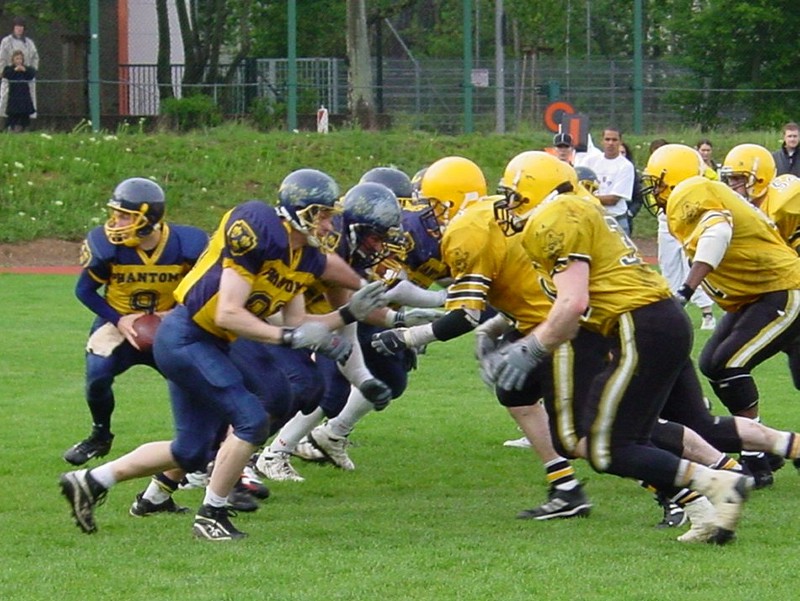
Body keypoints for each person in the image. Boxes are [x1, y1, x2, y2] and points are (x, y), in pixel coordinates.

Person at [58, 168, 389, 540]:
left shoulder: (300, 255)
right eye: (323, 214)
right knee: (251, 419)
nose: (329, 225)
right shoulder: (260, 236)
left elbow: (298, 321)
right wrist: (286, 338)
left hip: (210, 343)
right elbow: (228, 313)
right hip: (189, 337)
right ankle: (211, 514)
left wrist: (349, 313)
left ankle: (91, 480)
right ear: (299, 211)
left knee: (191, 451)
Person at [487, 151, 753, 544]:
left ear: (534, 190)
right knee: (610, 439)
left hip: (640, 325)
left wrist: (531, 348)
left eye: (513, 194)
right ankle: (705, 509)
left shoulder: (555, 217)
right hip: (651, 323)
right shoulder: (577, 208)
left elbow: (572, 303)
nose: (508, 204)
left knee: (609, 448)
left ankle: (719, 482)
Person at [371, 156, 592, 520]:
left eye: (431, 202)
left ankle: (678, 488)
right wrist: (495, 328)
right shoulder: (489, 212)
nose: (426, 210)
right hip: (540, 319)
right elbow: (516, 285)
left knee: (591, 431)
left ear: (450, 200)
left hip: (563, 327)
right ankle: (565, 486)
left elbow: (464, 316)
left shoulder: (467, 229)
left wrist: (406, 337)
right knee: (515, 394)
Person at [644, 143, 800, 489]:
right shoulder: (703, 193)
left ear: (672, 180)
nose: (653, 192)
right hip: (753, 297)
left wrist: (685, 290)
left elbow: (718, 232)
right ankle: (765, 448)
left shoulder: (691, 191)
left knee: (729, 364)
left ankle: (758, 455)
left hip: (782, 288)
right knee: (714, 364)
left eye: (656, 183)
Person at [63, 178, 209, 467]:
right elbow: (84, 291)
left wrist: (177, 313)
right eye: (116, 214)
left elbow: (203, 289)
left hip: (170, 325)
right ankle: (100, 435)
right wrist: (119, 319)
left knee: (199, 383)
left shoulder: (186, 245)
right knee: (97, 377)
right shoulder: (106, 246)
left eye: (125, 216)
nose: (115, 222)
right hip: (118, 322)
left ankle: (210, 443)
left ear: (148, 218)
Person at [649, 139, 717, 331]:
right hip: (666, 219)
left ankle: (707, 312)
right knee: (668, 266)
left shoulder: (689, 168)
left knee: (692, 265)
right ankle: (674, 312)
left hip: (689, 216)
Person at [579, 127, 635, 235]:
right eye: (607, 139)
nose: (610, 143)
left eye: (614, 140)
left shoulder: (626, 166)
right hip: (593, 218)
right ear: (602, 141)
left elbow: (613, 199)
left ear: (620, 142)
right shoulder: (590, 161)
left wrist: (586, 198)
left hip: (615, 219)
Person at [0, 17, 38, 127]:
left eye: (21, 27)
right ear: (13, 28)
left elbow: (35, 58)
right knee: (6, 100)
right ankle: (5, 125)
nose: (19, 29)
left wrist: (31, 71)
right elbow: (2, 58)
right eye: (17, 27)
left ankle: (25, 126)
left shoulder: (29, 43)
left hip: (25, 77)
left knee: (26, 101)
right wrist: (3, 72)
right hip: (10, 76)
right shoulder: (6, 41)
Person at [1, 49, 34, 132]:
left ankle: (24, 128)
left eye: (20, 59)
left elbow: (31, 75)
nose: (19, 61)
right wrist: (15, 70)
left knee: (24, 112)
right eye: (17, 59)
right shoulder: (9, 68)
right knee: (13, 112)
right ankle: (11, 127)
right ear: (13, 60)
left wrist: (24, 70)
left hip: (24, 94)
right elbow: (6, 74)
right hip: (14, 95)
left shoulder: (26, 69)